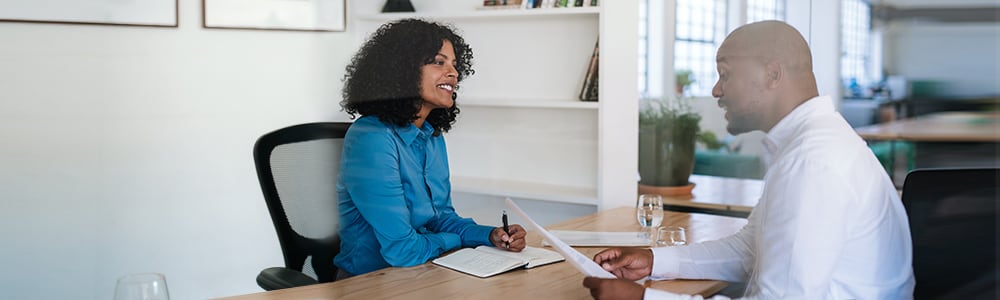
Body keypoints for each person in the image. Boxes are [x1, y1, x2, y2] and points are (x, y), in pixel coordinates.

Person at [583, 20, 915, 299]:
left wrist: (644, 298)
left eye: (725, 74)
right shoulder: (810, 145)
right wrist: (653, 260)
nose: (715, 90)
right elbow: (752, 248)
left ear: (772, 74)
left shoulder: (813, 161)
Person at [333, 18, 527, 279]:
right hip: (369, 284)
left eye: (455, 66)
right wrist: (452, 240)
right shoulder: (371, 138)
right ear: (402, 70)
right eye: (439, 62)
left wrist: (491, 235)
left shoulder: (431, 136)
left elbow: (440, 217)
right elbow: (402, 251)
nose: (454, 73)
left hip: (423, 272)